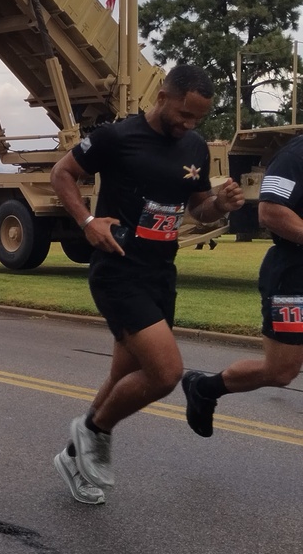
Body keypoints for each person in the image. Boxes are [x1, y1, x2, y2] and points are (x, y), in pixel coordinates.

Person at [47, 64, 244, 503]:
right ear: (163, 97)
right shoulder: (118, 136)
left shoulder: (192, 145)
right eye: (184, 114)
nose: (189, 125)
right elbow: (61, 174)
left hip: (160, 271)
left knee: (125, 374)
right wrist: (87, 221)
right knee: (165, 373)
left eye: (198, 119)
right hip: (118, 269)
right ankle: (93, 430)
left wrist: (221, 204)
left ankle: (73, 457)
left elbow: (199, 211)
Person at [181, 134, 303, 439]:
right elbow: (271, 211)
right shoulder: (294, 157)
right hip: (293, 275)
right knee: (281, 371)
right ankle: (204, 388)